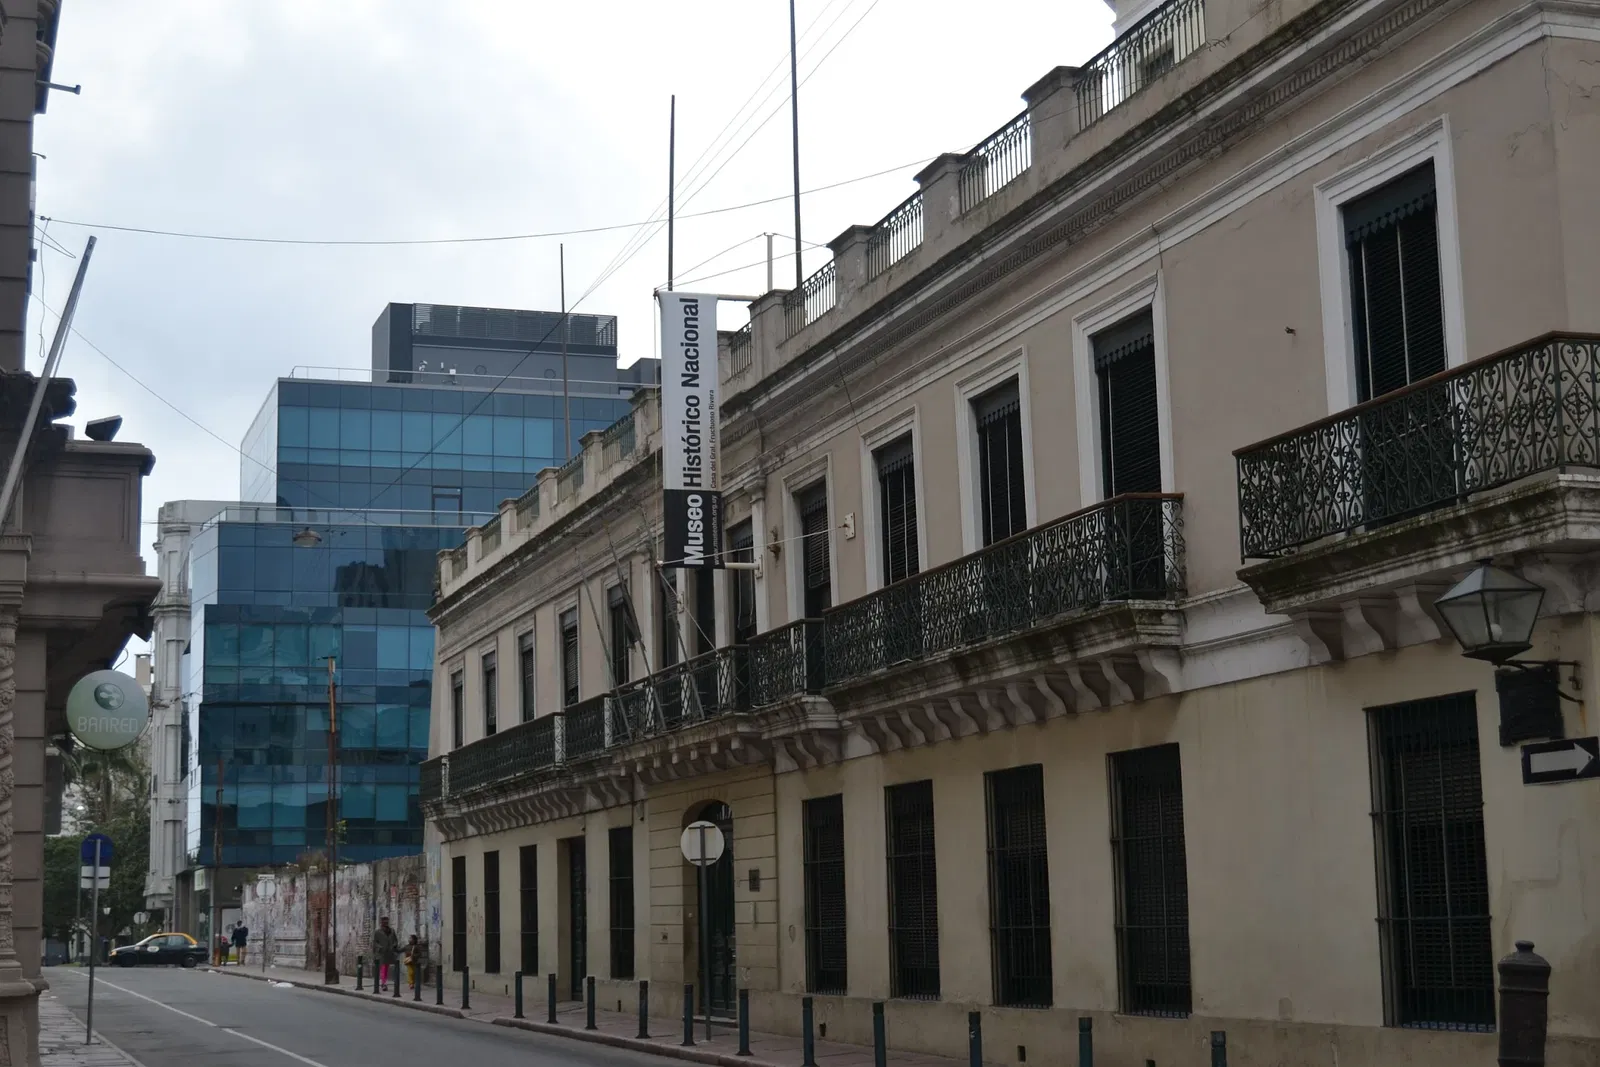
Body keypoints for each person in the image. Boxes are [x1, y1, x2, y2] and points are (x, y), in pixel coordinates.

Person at [372, 916, 400, 993]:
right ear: (381, 922)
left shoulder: (392, 931)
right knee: (383, 968)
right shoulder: (377, 932)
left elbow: (395, 940)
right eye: (384, 921)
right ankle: (383, 983)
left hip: (390, 952)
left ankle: (386, 982)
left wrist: (394, 945)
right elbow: (375, 942)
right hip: (382, 953)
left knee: (387, 968)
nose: (385, 923)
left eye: (387, 921)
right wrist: (379, 947)